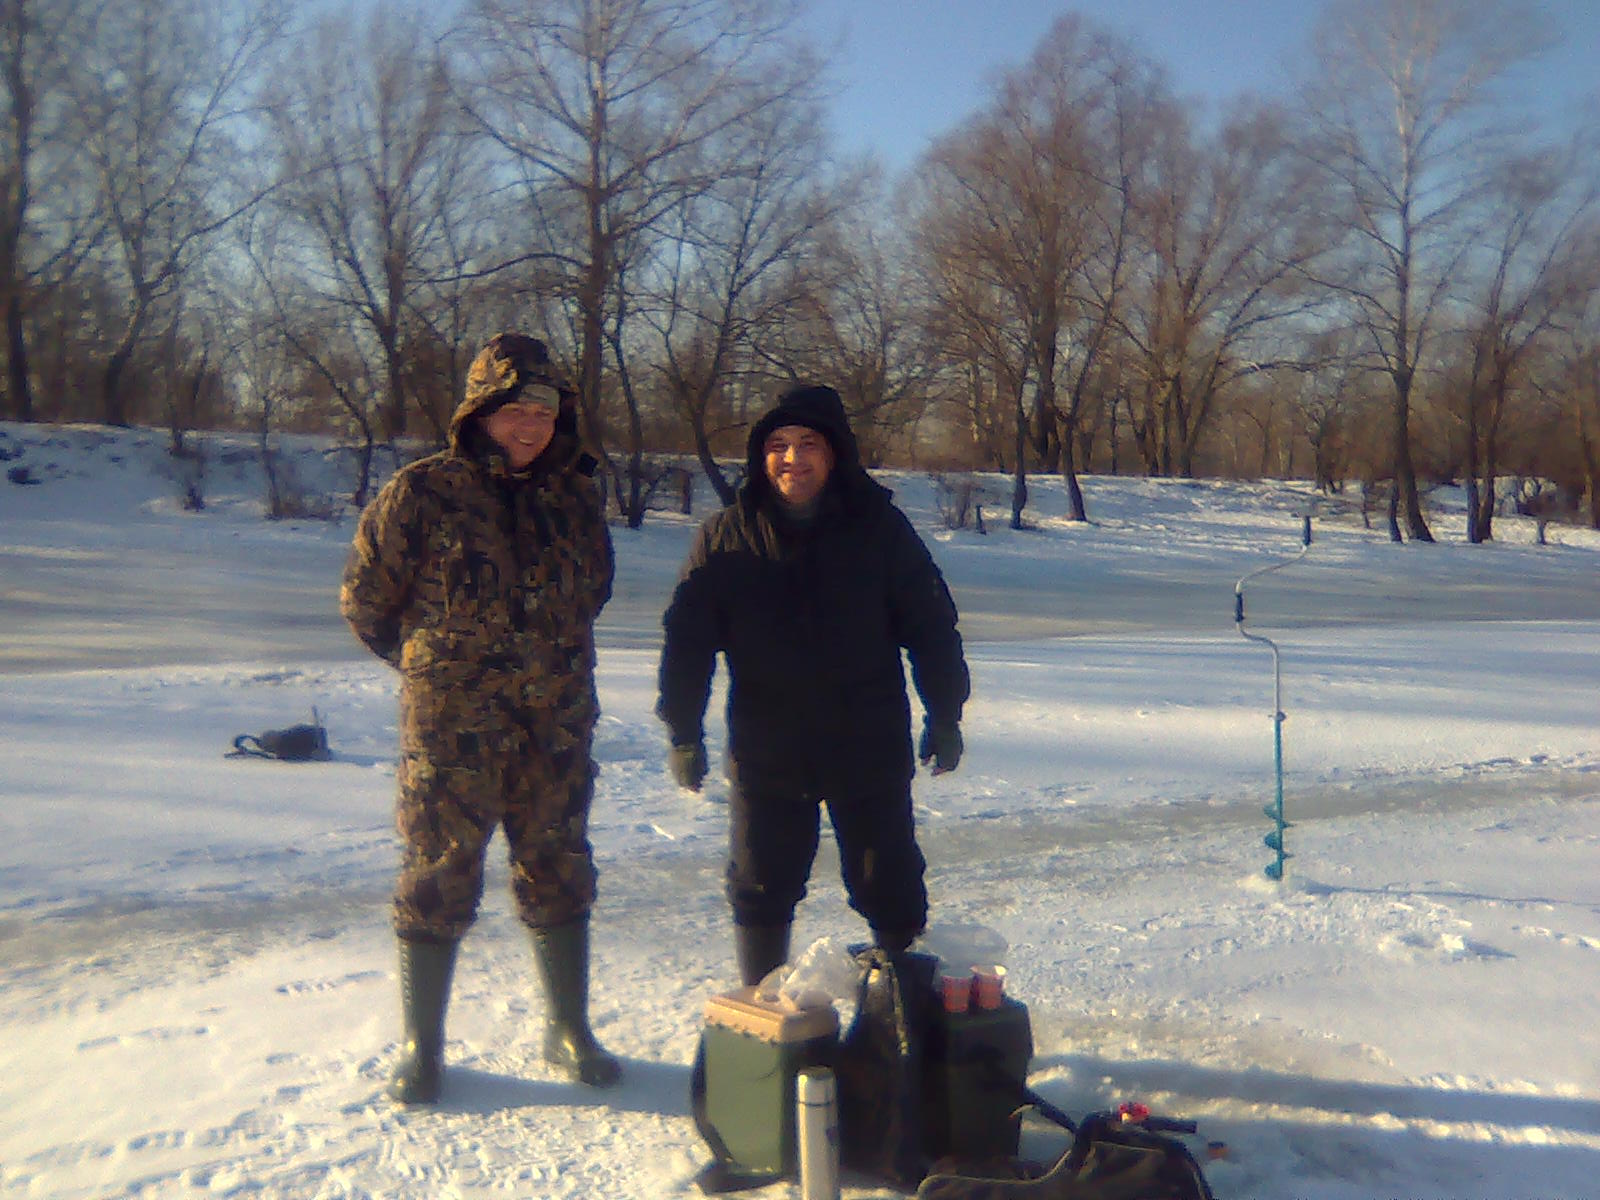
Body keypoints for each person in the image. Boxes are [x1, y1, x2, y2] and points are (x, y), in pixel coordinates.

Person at [341, 332, 621, 1101]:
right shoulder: (422, 492)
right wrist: (435, 670)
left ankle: (567, 1029)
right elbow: (365, 601)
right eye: (514, 410)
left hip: (556, 721)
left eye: (544, 411)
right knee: (438, 870)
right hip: (452, 729)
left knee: (560, 862)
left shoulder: (576, 495)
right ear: (480, 412)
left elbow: (594, 589)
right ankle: (422, 1047)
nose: (530, 425)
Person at [656, 383, 970, 987]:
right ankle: (763, 1012)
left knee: (888, 882)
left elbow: (932, 626)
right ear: (760, 456)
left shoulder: (880, 530)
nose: (792, 459)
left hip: (867, 743)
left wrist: (945, 713)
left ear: (835, 454)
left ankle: (898, 1006)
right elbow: (687, 642)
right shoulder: (726, 536)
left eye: (808, 445)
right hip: (767, 748)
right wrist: (683, 730)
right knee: (760, 884)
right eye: (778, 445)